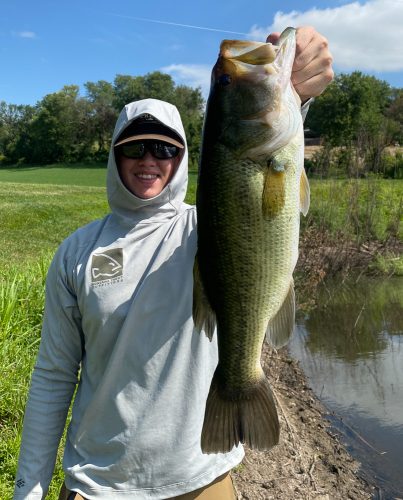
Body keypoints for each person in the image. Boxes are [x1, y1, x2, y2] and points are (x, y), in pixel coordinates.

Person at [13, 26, 333, 500]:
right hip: (98, 483)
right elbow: (55, 376)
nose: (150, 159)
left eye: (165, 148)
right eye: (134, 147)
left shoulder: (203, 228)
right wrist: (29, 489)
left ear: (183, 158)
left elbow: (267, 178)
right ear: (114, 156)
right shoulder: (77, 252)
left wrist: (297, 94)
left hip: (202, 478)